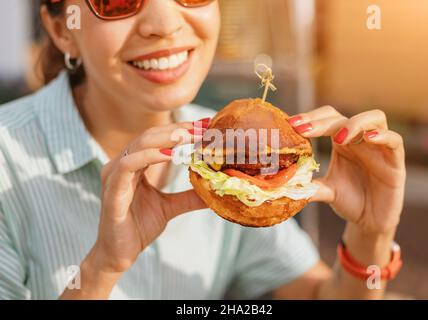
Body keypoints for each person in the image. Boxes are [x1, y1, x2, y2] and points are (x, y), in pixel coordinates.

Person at [0, 0, 406, 300]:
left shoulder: (233, 153)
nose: (164, 24)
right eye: (117, 2)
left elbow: (319, 295)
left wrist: (371, 234)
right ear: (60, 29)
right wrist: (100, 270)